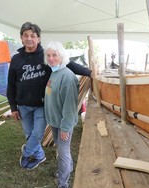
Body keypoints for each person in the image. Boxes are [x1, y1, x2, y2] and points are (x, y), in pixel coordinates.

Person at [6, 22, 91, 170]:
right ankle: (39, 155)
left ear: (38, 38)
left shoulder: (46, 55)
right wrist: (13, 107)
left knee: (37, 134)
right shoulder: (16, 59)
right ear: (21, 38)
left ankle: (26, 152)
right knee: (29, 134)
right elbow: (11, 85)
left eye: (33, 35)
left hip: (41, 105)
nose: (29, 38)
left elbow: (69, 64)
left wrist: (89, 72)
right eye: (26, 35)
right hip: (23, 105)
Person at [44, 41, 79, 188]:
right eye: (48, 55)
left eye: (54, 55)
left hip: (63, 124)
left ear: (61, 56)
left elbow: (70, 107)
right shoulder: (54, 72)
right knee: (61, 150)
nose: (51, 58)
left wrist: (66, 128)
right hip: (55, 122)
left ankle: (63, 185)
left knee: (63, 153)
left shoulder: (68, 77)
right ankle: (68, 168)